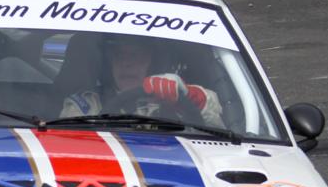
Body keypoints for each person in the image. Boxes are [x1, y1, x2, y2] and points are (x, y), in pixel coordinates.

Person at [59, 34, 224, 126]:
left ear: (154, 63)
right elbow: (69, 142)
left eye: (135, 56)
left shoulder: (180, 99)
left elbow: (219, 128)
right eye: (119, 56)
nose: (126, 64)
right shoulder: (86, 105)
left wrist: (187, 96)